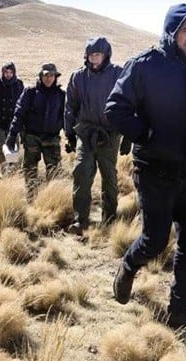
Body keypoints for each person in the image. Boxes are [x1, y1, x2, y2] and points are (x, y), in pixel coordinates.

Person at [105, 3, 186, 335]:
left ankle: (178, 312)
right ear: (170, 32)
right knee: (155, 239)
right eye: (184, 31)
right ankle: (129, 265)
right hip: (155, 171)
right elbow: (116, 108)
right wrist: (144, 133)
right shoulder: (146, 66)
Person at [64, 37, 123, 235]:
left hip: (110, 134)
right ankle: (81, 220)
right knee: (81, 172)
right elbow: (70, 107)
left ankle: (110, 217)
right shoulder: (78, 77)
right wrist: (70, 134)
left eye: (98, 54)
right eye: (91, 55)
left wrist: (129, 136)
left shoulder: (118, 74)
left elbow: (131, 104)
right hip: (86, 133)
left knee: (109, 176)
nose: (94, 59)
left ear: (106, 55)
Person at [5, 63, 65, 193]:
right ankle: (31, 198)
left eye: (52, 75)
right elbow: (19, 114)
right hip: (32, 137)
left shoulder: (61, 95)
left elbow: (66, 117)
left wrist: (71, 136)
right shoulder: (30, 92)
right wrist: (12, 134)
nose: (49, 78)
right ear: (40, 76)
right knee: (30, 170)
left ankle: (52, 200)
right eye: (46, 75)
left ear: (55, 77)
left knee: (54, 171)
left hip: (52, 139)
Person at [0, 62, 24, 168]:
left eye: (11, 72)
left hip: (13, 122)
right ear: (3, 72)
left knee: (13, 146)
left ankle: (12, 167)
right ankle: (3, 166)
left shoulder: (19, 84)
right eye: (6, 72)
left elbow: (23, 102)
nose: (8, 74)